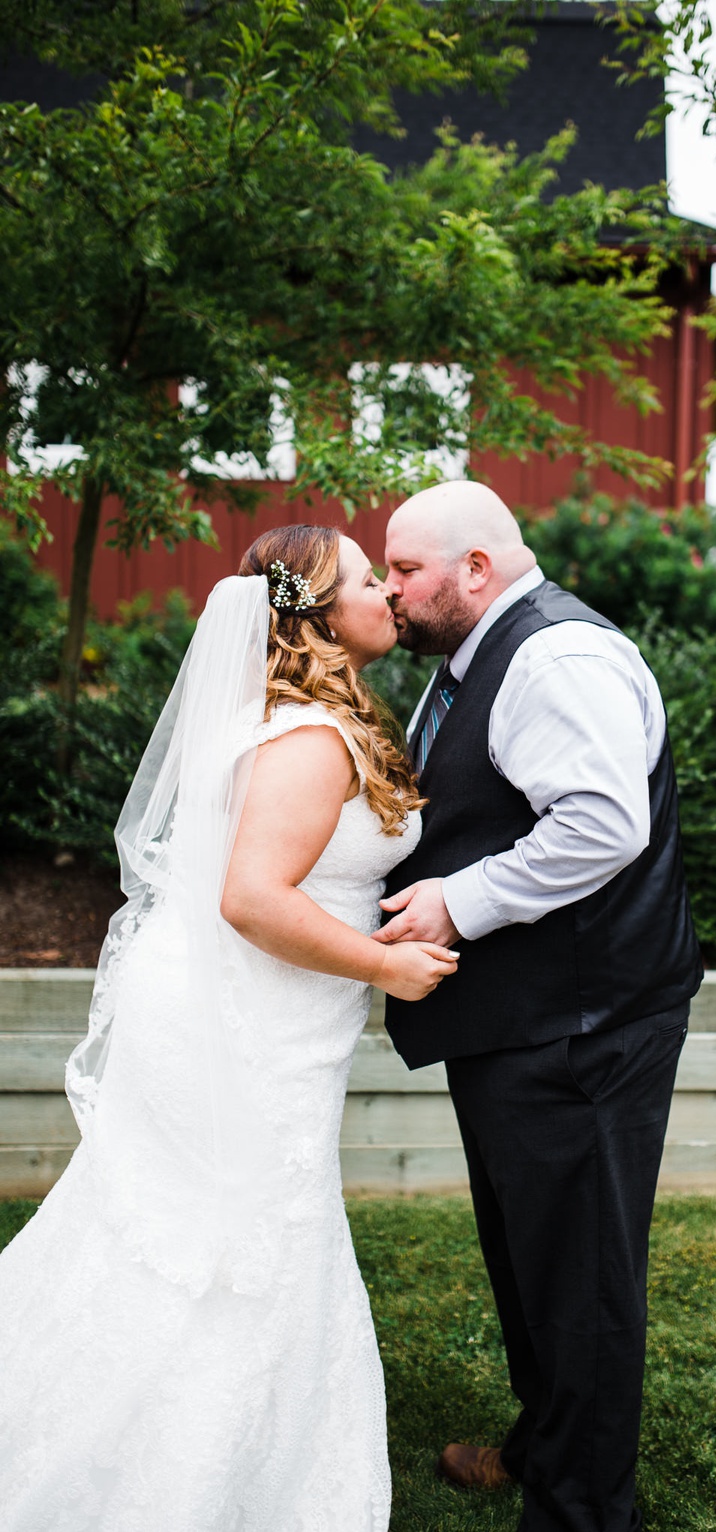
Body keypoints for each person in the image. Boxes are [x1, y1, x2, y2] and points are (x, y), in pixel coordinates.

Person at [0, 524, 458, 1531]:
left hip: (264, 1010)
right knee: (233, 1236)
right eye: (367, 579)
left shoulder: (303, 715)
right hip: (249, 1020)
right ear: (322, 614)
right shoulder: (306, 736)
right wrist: (386, 964)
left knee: (195, 1224)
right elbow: (252, 896)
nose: (387, 590)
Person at [375, 480, 703, 1532]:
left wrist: (455, 904)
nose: (392, 590)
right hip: (525, 1016)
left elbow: (602, 825)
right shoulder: (483, 655)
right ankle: (542, 1442)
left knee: (581, 1279)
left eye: (406, 570)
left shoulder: (554, 656)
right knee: (531, 1256)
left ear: (476, 568)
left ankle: (582, 1508)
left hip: (584, 1022)